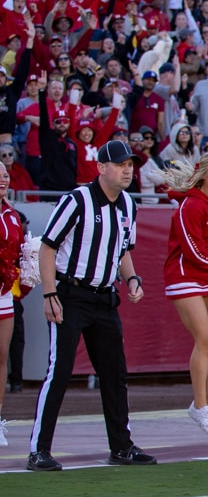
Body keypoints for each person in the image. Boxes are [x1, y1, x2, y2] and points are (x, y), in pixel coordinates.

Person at [29, 140, 156, 471]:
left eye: (131, 164)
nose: (128, 169)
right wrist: (48, 293)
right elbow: (47, 248)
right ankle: (38, 449)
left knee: (115, 375)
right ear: (101, 168)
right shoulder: (77, 200)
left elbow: (124, 250)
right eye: (120, 164)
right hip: (70, 295)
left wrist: (132, 279)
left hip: (104, 298)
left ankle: (121, 447)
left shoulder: (129, 204)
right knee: (59, 372)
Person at [163, 152, 208, 436]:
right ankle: (199, 406)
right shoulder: (190, 206)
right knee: (205, 339)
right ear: (204, 175)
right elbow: (192, 252)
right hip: (184, 276)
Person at [0, 162, 26, 446]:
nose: (2, 180)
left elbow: (16, 252)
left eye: (5, 175)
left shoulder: (12, 214)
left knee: (1, 356)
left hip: (3, 292)